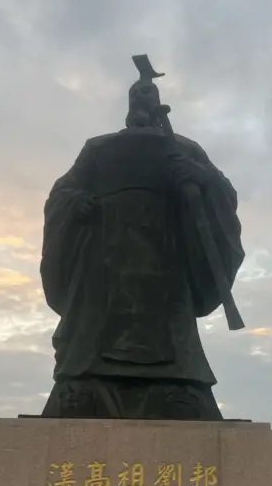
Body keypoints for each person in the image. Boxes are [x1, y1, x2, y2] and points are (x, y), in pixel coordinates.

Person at [39, 73, 244, 420]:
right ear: (129, 106)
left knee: (170, 331)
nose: (142, 104)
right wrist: (74, 203)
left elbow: (224, 191)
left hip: (166, 256)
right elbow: (61, 194)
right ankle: (85, 382)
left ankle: (181, 385)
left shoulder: (185, 149)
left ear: (159, 106)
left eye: (149, 96)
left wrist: (199, 177)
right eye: (137, 96)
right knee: (94, 331)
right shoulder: (99, 148)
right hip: (105, 257)